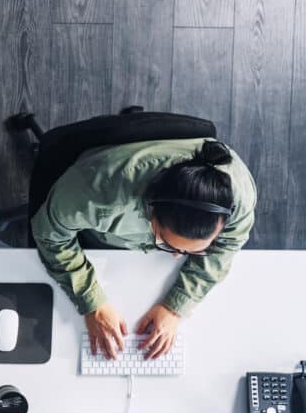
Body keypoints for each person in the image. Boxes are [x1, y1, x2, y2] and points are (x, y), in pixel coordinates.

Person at [31, 139, 256, 359]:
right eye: (167, 245)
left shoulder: (240, 198)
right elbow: (51, 236)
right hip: (100, 227)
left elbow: (227, 246)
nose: (177, 256)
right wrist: (93, 303)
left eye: (194, 250)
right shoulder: (95, 194)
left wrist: (175, 306)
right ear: (151, 211)